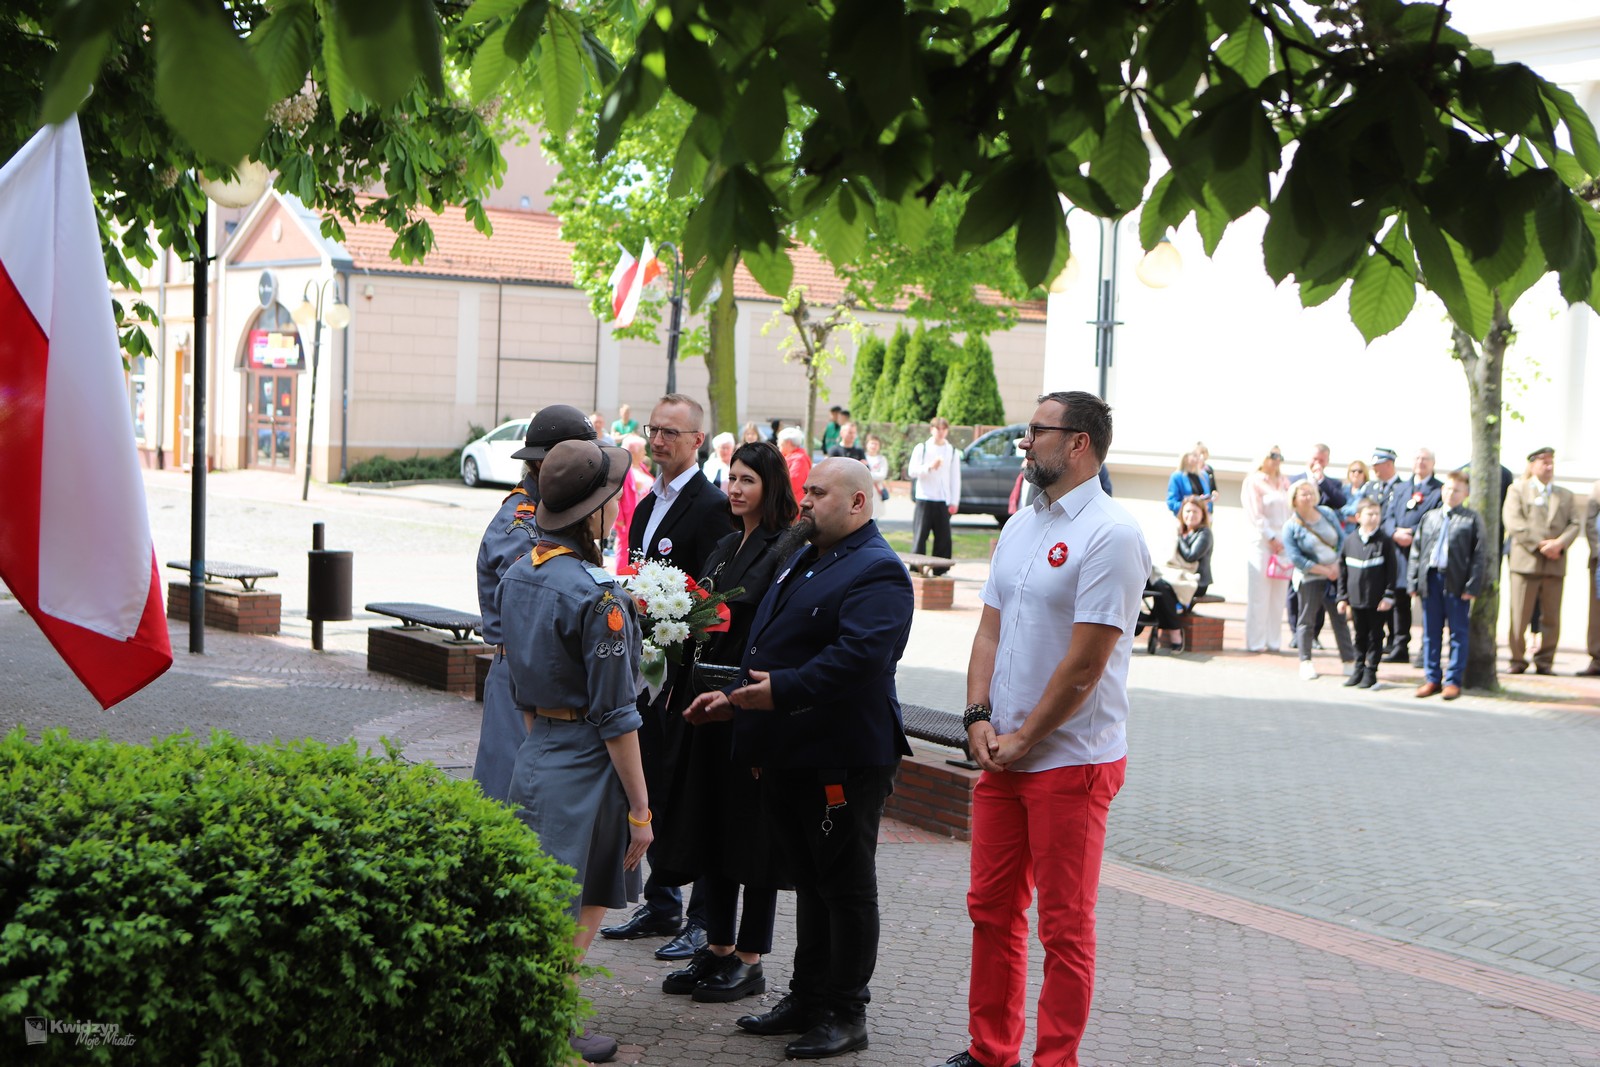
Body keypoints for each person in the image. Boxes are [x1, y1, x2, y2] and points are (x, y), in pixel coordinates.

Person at [941, 391, 1149, 1067]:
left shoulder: (1112, 534)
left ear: (1079, 442)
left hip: (1069, 761)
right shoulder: (1021, 525)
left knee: (1064, 929)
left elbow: (1086, 663)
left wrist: (1025, 737)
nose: (1024, 442)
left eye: (1037, 430)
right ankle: (990, 1051)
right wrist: (977, 717)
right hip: (1004, 754)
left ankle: (1055, 1061)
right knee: (990, 909)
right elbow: (989, 631)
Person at [685, 458, 915, 1061]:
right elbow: (772, 644)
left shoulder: (879, 570)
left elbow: (859, 658)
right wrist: (735, 697)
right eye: (805, 489)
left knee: (845, 888)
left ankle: (846, 1011)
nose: (805, 500)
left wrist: (778, 693)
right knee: (811, 884)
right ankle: (808, 998)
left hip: (842, 758)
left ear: (858, 503)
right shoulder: (805, 552)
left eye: (818, 491)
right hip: (790, 752)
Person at [498, 438, 650, 1065]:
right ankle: (550, 1024)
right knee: (577, 898)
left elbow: (521, 691)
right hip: (588, 761)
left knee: (540, 896)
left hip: (537, 752)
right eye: (612, 497)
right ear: (593, 511)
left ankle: (533, 1017)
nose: (617, 505)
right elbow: (617, 717)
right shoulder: (598, 595)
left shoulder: (518, 573)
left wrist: (545, 737)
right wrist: (641, 810)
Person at [656, 441, 797, 1004]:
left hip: (749, 703)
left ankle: (750, 958)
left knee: (752, 836)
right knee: (712, 824)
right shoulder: (723, 544)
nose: (735, 489)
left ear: (771, 485)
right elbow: (699, 607)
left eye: (748, 480)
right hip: (704, 703)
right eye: (732, 478)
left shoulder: (785, 546)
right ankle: (717, 947)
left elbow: (770, 624)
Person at [599, 394, 734, 959]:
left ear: (697, 441)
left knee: (688, 790)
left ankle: (701, 918)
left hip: (686, 674)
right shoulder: (647, 500)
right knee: (651, 776)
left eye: (670, 433)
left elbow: (714, 598)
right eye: (653, 430)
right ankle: (660, 903)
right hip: (646, 669)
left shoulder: (712, 506)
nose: (657, 441)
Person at [471, 404, 595, 803]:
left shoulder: (554, 511)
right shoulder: (522, 523)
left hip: (537, 672)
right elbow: (533, 602)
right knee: (512, 797)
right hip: (522, 673)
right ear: (545, 464)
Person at [1409, 470, 1488, 700]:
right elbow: (1417, 551)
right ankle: (1432, 678)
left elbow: (1479, 555)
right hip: (1431, 579)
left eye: (1457, 490)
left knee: (1458, 633)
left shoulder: (1471, 519)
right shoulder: (1430, 517)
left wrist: (1472, 585)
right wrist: (1413, 580)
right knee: (1430, 633)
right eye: (1448, 489)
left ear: (1465, 494)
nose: (1451, 494)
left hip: (1456, 581)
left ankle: (1453, 680)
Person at [1503, 446, 1580, 675]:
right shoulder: (1517, 490)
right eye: (1544, 462)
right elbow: (1514, 522)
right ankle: (1517, 659)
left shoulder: (1565, 495)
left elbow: (1575, 523)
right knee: (1520, 615)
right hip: (1526, 563)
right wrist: (1541, 545)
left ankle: (1545, 661)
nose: (1549, 467)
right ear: (1532, 465)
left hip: (1554, 564)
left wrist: (1559, 544)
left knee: (1551, 616)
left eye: (1551, 462)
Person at [1282, 481, 1357, 680]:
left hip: (1335, 574)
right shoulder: (1291, 526)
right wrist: (1322, 570)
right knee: (1307, 619)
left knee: (1339, 618)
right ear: (1294, 499)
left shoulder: (1327, 513)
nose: (1308, 497)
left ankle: (1349, 660)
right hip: (1310, 577)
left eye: (1311, 493)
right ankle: (1305, 661)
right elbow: (1296, 558)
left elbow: (1341, 539)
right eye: (1303, 494)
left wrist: (1336, 565)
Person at [1381, 447, 1442, 664]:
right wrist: (1394, 533)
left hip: (1424, 553)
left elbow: (1437, 519)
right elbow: (1387, 517)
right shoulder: (1401, 489)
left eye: (1425, 459)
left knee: (1427, 602)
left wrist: (1413, 533)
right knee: (1400, 601)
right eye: (1417, 458)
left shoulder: (1439, 490)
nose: (1420, 462)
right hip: (1399, 552)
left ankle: (1427, 649)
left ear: (1433, 463)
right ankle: (1400, 646)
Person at [1286, 444, 1347, 642]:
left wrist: (1321, 482)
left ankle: (1314, 635)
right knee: (1295, 593)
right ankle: (1296, 633)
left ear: (1327, 461)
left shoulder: (1332, 483)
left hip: (1324, 550)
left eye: (1321, 460)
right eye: (1314, 459)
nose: (1317, 463)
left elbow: (1340, 502)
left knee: (1320, 597)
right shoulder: (1293, 480)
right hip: (1301, 544)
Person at [1335, 497, 1397, 689]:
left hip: (1377, 600)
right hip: (1356, 599)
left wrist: (1388, 595)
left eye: (1377, 514)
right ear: (1358, 517)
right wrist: (1342, 597)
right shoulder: (1350, 541)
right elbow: (1343, 572)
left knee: (1375, 636)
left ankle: (1371, 671)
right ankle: (1359, 669)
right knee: (1360, 635)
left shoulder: (1385, 541)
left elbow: (1392, 571)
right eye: (1370, 514)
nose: (1374, 517)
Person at [1241, 446, 1292, 652]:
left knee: (1279, 596)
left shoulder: (1284, 482)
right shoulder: (1254, 481)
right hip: (1262, 541)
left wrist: (1285, 538)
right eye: (1273, 455)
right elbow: (1255, 514)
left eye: (1280, 456)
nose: (1277, 459)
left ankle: (1274, 641)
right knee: (1259, 594)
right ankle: (1256, 642)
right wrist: (1270, 537)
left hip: (1284, 540)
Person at [908, 417, 961, 574]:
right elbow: (912, 471)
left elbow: (955, 477)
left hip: (943, 499)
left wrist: (954, 501)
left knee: (943, 537)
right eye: (938, 429)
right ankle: (916, 568)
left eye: (944, 429)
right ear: (932, 429)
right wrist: (929, 467)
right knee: (920, 535)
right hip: (924, 498)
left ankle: (940, 570)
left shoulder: (951, 451)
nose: (941, 432)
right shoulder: (922, 448)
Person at [610, 434, 652, 575]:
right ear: (634, 451)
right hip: (629, 516)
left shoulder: (642, 467)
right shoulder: (624, 470)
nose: (645, 452)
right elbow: (616, 495)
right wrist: (619, 518)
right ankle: (622, 577)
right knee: (625, 547)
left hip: (644, 515)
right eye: (643, 449)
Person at [1171, 495, 1213, 602]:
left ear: (1202, 514)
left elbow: (1191, 556)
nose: (1191, 515)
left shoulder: (1205, 533)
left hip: (1197, 582)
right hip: (1179, 575)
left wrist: (1179, 537)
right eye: (1188, 511)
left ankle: (1168, 614)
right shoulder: (1180, 530)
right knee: (1155, 581)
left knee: (1163, 586)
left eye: (1195, 511)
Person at [1584, 478, 1600, 677]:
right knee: (1597, 614)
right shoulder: (1598, 488)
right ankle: (1597, 659)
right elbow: (1590, 523)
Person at [777, 425, 812, 503]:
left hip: (792, 503)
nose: (778, 444)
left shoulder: (799, 460)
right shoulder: (790, 457)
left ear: (788, 442)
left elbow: (792, 482)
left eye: (780, 441)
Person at [1339, 459, 1373, 534]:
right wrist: (1347, 518)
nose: (1356, 473)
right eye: (1353, 471)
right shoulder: (1343, 489)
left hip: (1360, 531)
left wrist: (1342, 511)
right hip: (1342, 531)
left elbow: (1355, 510)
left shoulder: (1368, 490)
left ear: (1365, 474)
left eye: (1360, 471)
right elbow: (1335, 511)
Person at [863, 433, 890, 516]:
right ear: (867, 444)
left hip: (877, 492)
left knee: (875, 515)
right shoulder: (863, 457)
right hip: (864, 490)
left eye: (876, 444)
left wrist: (867, 475)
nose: (874, 446)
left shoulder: (882, 459)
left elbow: (882, 475)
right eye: (872, 443)